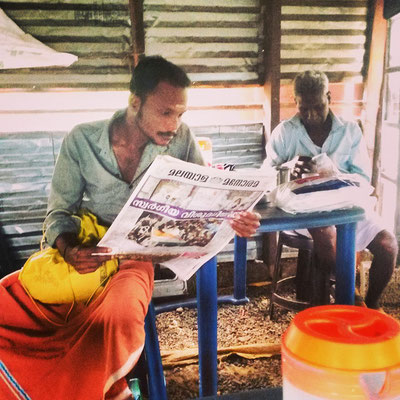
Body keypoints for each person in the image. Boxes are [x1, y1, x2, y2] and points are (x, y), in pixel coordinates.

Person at [0, 56, 260, 400]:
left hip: (137, 258)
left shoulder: (181, 139)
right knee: (9, 304)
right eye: (166, 112)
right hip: (89, 250)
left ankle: (89, 389)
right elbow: (59, 212)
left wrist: (234, 217)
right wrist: (69, 249)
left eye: (181, 114)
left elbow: (205, 199)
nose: (175, 124)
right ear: (134, 103)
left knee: (117, 316)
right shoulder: (82, 141)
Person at [263, 70, 398, 310]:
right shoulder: (285, 132)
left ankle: (372, 304)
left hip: (346, 207)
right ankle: (349, 296)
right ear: (296, 102)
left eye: (318, 106)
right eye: (304, 109)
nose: (312, 115)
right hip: (304, 211)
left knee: (388, 245)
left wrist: (335, 174)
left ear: (329, 97)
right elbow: (265, 176)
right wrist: (288, 167)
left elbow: (363, 178)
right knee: (325, 231)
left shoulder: (349, 131)